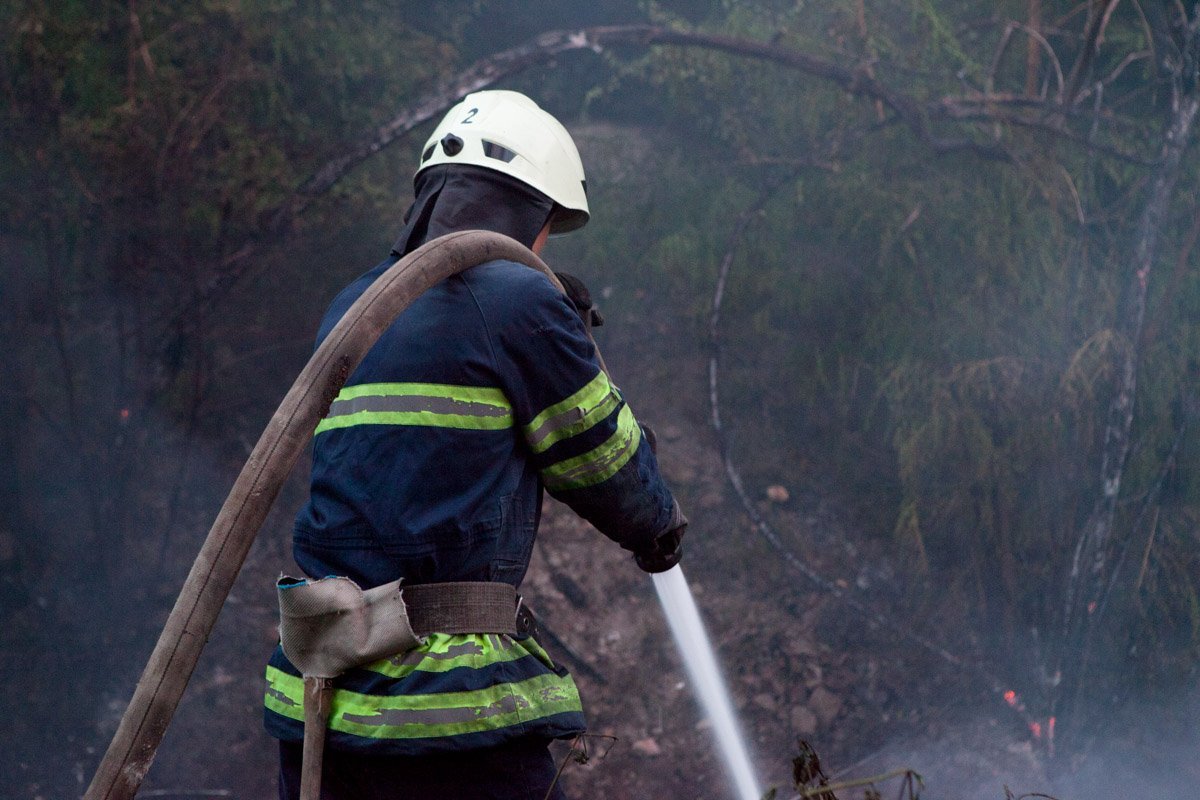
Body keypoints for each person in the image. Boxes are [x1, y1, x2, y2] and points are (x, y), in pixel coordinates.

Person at [262, 89, 686, 800]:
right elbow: (603, 461)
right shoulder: (517, 299)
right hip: (447, 710)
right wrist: (660, 527)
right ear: (530, 213)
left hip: (322, 706)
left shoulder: (352, 304)